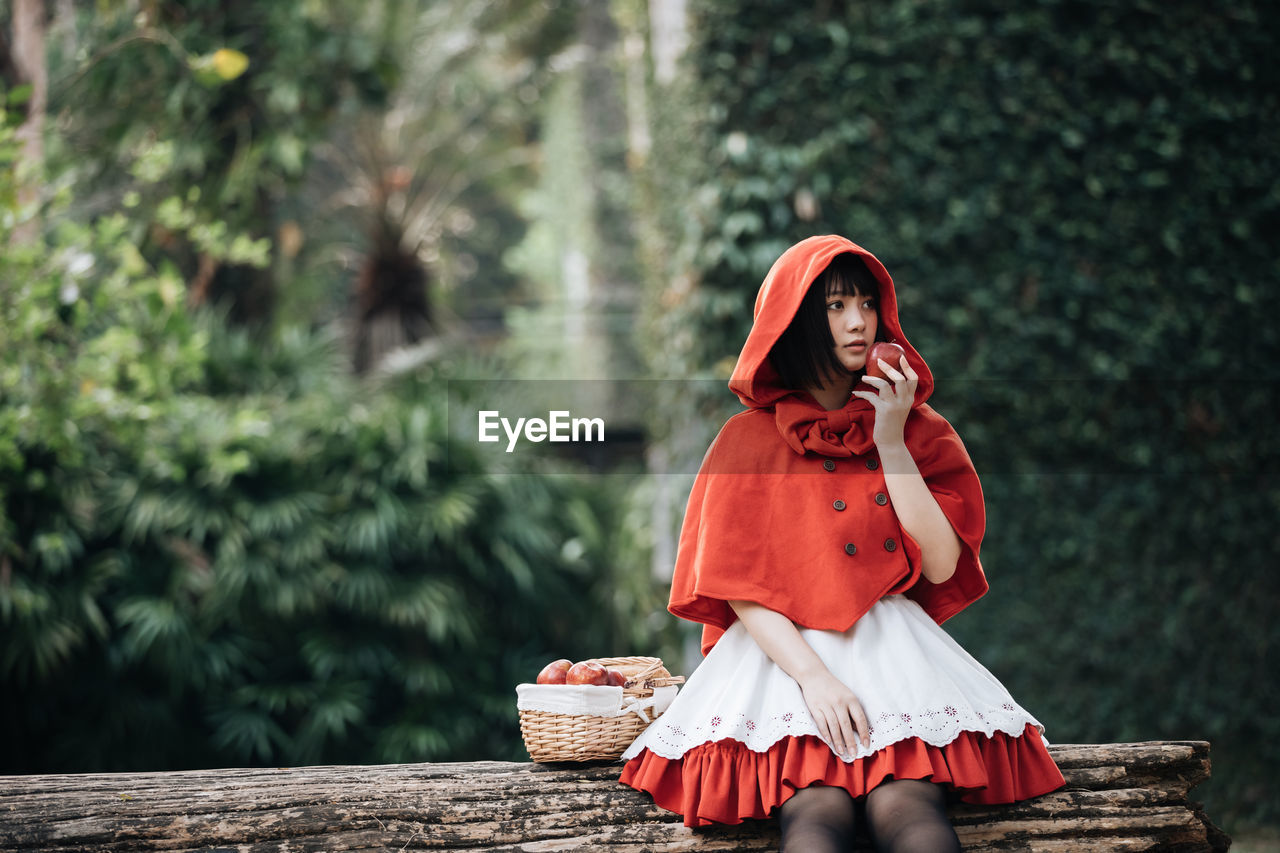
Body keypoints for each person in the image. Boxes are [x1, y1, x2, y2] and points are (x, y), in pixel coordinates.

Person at [619, 235, 1065, 852]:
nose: (857, 321)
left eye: (865, 303)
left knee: (908, 808)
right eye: (834, 306)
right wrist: (815, 679)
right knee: (814, 814)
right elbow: (736, 588)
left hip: (892, 655)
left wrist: (891, 440)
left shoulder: (920, 432)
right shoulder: (746, 441)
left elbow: (940, 565)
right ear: (797, 319)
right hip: (781, 663)